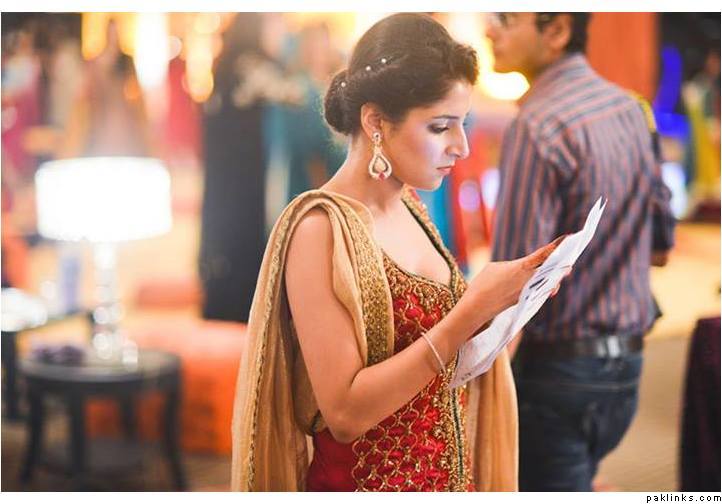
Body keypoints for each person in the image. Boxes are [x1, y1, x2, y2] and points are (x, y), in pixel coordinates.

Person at [231, 13, 563, 491]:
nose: (461, 147)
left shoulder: (410, 205)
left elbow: (443, 355)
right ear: (375, 122)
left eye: (462, 124)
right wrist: (468, 313)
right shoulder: (320, 229)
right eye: (441, 127)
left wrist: (505, 305)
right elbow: (344, 413)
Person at [486, 12, 676, 491]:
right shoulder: (630, 108)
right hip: (628, 366)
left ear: (557, 30)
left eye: (506, 18)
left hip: (558, 376)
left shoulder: (538, 124)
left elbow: (514, 287)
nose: (490, 29)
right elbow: (661, 246)